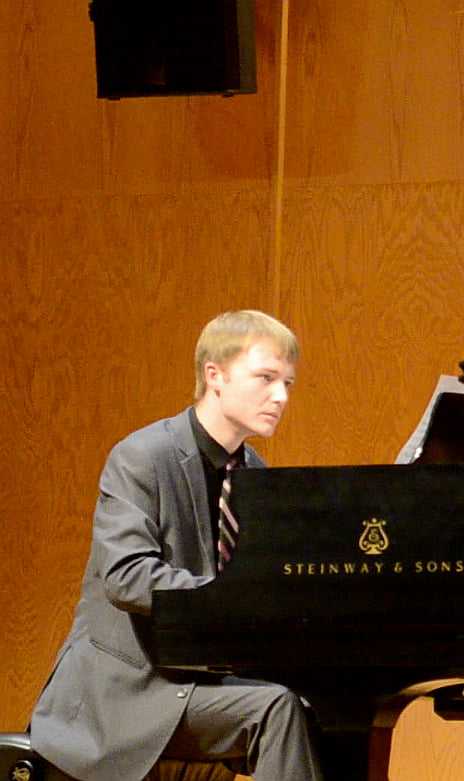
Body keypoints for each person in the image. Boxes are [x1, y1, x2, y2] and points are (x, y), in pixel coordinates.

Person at [30, 310, 323, 781]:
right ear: (215, 375)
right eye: (266, 378)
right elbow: (126, 578)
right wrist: (230, 599)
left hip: (195, 680)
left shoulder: (255, 474)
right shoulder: (142, 456)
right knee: (276, 710)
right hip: (125, 692)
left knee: (319, 707)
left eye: (288, 382)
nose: (281, 396)